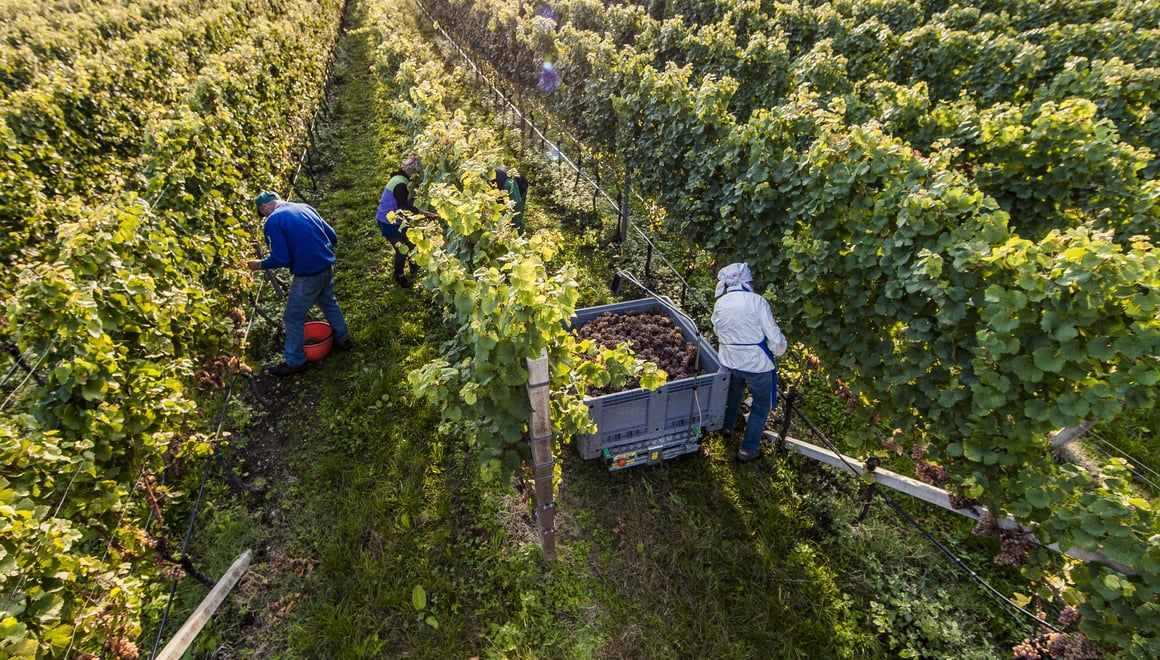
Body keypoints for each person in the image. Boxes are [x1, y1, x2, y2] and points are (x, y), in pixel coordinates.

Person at [247, 191, 353, 376]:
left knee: (292, 317)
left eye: (262, 213)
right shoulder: (305, 208)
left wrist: (259, 265)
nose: (264, 217)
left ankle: (295, 361)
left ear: (264, 207)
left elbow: (281, 257)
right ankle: (343, 339)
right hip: (326, 266)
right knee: (328, 301)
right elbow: (332, 236)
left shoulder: (273, 221)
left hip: (308, 275)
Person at [711, 262, 787, 462]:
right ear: (747, 281)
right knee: (761, 406)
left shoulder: (721, 303)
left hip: (729, 361)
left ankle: (726, 428)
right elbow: (775, 338)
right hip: (757, 365)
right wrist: (778, 351)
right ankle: (748, 448)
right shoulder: (758, 302)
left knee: (733, 393)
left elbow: (717, 331)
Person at [376, 156, 436, 288]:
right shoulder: (401, 185)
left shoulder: (401, 179)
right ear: (412, 172)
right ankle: (399, 275)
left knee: (411, 244)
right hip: (388, 222)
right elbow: (404, 207)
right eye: (418, 173)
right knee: (401, 250)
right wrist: (425, 214)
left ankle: (414, 265)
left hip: (398, 221)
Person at [491, 165, 528, 234]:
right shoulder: (487, 179)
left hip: (520, 187)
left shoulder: (507, 183)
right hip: (503, 188)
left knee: (516, 218)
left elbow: (516, 201)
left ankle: (520, 237)